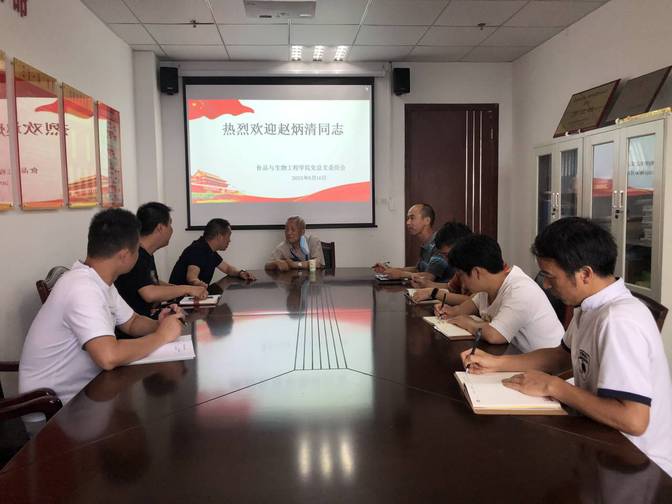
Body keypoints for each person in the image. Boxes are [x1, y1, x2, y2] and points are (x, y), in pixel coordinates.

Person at [462, 217, 672, 476]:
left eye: (550, 276)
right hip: (601, 437)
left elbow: (634, 420)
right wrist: (497, 363)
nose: (546, 284)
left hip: (638, 464)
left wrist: (554, 386)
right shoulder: (590, 305)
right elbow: (561, 355)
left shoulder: (619, 320)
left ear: (585, 274)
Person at [19, 208, 185, 404]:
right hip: (53, 405)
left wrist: (160, 324)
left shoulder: (100, 280)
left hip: (86, 391)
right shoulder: (82, 288)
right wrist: (162, 336)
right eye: (137, 250)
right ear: (125, 255)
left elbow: (131, 323)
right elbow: (108, 356)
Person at [435, 234, 563, 352]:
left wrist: (468, 323)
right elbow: (461, 310)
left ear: (476, 272)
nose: (462, 282)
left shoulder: (520, 289)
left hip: (547, 365)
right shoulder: (487, 288)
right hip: (516, 356)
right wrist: (448, 311)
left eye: (461, 275)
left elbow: (494, 335)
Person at [115, 202, 207, 318]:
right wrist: (187, 289)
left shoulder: (145, 253)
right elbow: (149, 294)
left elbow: (150, 281)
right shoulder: (136, 255)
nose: (172, 230)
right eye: (170, 225)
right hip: (137, 324)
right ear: (160, 228)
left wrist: (178, 289)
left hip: (149, 316)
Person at [372, 203, 450, 281]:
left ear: (427, 221)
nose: (408, 222)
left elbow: (429, 277)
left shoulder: (439, 243)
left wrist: (400, 274)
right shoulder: (426, 244)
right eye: (408, 218)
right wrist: (389, 269)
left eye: (412, 218)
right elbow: (418, 269)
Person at [169, 218, 255, 287]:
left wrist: (240, 273)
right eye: (228, 236)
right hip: (180, 300)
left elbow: (227, 268)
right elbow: (191, 278)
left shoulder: (209, 250)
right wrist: (199, 284)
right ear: (219, 237)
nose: (229, 241)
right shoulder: (197, 250)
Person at [409, 221, 472, 306]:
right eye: (444, 255)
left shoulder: (476, 267)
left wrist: (433, 293)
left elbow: (474, 301)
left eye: (447, 255)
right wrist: (426, 284)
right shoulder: (460, 269)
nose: (447, 260)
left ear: (462, 247)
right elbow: (450, 287)